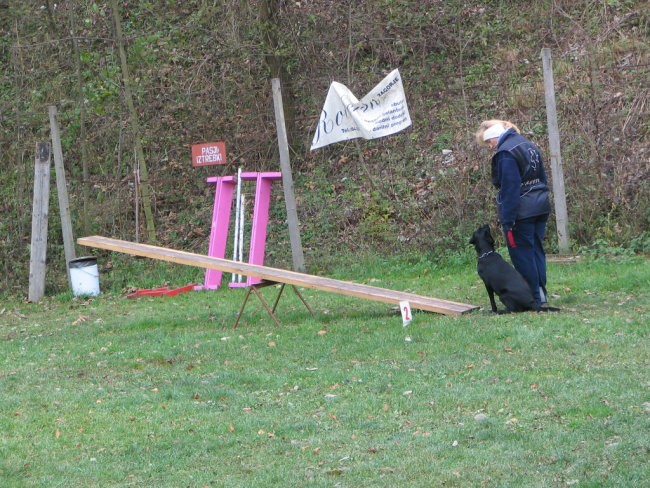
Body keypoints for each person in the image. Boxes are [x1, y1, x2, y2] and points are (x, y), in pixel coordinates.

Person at [476, 119, 551, 307]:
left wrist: (507, 220)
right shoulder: (528, 144)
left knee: (522, 253)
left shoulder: (505, 153)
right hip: (540, 205)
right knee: (536, 250)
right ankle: (541, 292)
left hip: (521, 211)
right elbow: (542, 177)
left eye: (488, 143)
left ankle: (533, 297)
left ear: (493, 137)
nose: (490, 147)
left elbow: (510, 188)